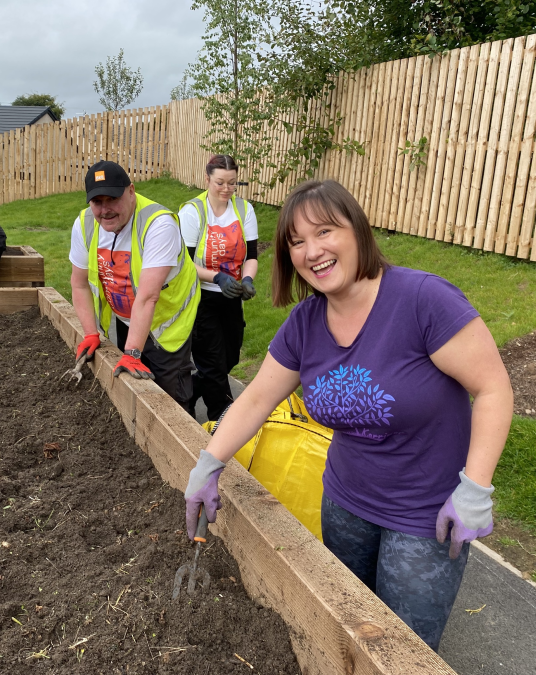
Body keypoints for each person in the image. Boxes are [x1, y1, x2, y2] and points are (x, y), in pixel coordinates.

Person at [183, 179, 513, 651]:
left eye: (324, 232)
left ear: (356, 230)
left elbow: (493, 388)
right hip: (345, 503)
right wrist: (208, 463)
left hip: (424, 515)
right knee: (352, 631)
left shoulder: (423, 301)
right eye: (296, 241)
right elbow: (257, 399)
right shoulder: (305, 323)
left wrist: (476, 488)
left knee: (404, 651)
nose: (311, 250)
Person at [68, 160, 200, 414]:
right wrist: (90, 333)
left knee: (169, 403)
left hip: (167, 325)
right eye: (97, 202)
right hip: (127, 317)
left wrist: (132, 352)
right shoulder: (85, 224)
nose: (105, 210)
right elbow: (79, 283)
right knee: (132, 393)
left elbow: (149, 296)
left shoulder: (158, 224)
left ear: (131, 191)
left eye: (112, 199)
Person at [179, 155, 259, 421]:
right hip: (201, 298)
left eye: (232, 183)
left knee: (228, 360)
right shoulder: (193, 212)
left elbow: (252, 256)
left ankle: (187, 393)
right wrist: (216, 278)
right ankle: (224, 422)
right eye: (220, 183)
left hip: (231, 297)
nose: (226, 189)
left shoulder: (244, 210)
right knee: (213, 366)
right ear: (207, 179)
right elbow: (185, 265)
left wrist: (247, 279)